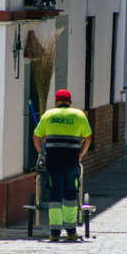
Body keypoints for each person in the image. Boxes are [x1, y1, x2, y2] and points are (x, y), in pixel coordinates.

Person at [33, 89, 92, 241]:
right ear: (69, 101)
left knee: (55, 195)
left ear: (57, 101)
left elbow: (36, 137)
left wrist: (41, 154)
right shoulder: (79, 115)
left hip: (53, 160)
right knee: (71, 194)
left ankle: (54, 233)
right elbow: (88, 138)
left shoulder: (48, 115)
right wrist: (81, 154)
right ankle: (71, 231)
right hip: (71, 160)